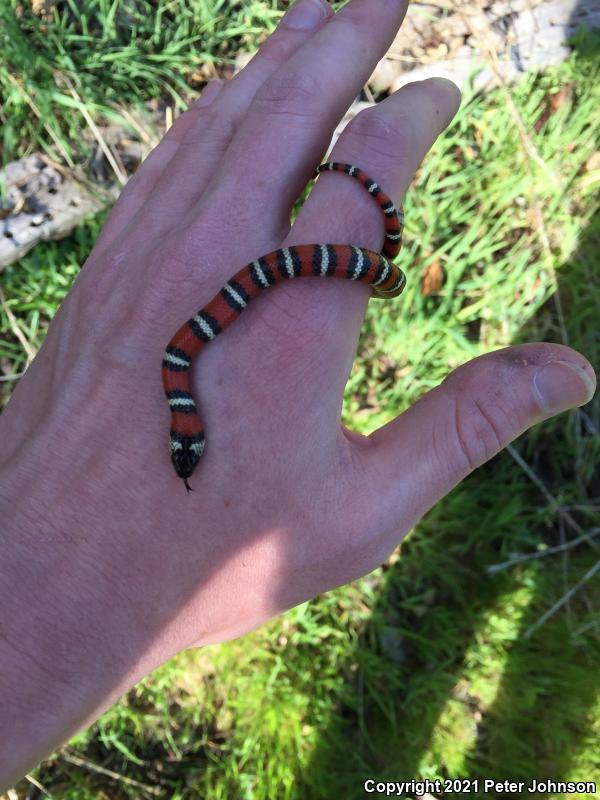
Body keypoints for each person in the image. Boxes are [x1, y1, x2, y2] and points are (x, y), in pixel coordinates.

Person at [0, 0, 595, 789]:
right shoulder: (178, 375)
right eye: (191, 443)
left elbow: (187, 351)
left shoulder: (184, 366)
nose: (190, 444)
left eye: (189, 441)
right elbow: (181, 357)